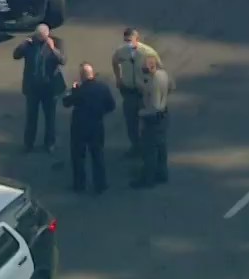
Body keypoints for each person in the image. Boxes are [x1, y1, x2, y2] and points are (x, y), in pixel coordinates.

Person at [62, 62, 115, 194]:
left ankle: (79, 184)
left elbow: (66, 102)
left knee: (78, 156)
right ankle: (100, 184)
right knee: (98, 155)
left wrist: (73, 90)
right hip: (96, 125)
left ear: (82, 76)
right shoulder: (102, 88)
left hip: (79, 127)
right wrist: (101, 112)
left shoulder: (80, 90)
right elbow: (111, 105)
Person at [13, 23, 66, 153]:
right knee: (31, 117)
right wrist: (22, 45)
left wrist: (53, 49)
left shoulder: (56, 42)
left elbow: (63, 60)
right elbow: (16, 55)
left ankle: (50, 143)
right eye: (38, 37)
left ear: (47, 35)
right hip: (33, 88)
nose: (39, 40)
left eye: (42, 37)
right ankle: (28, 144)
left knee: (50, 118)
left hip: (50, 88)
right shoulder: (30, 44)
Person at [112, 27, 161, 158]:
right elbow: (115, 61)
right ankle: (135, 147)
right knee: (130, 122)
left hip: (144, 93)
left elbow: (158, 70)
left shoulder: (147, 53)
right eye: (126, 40)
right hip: (128, 91)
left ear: (137, 39)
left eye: (130, 40)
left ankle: (147, 149)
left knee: (146, 122)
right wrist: (118, 78)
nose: (128, 43)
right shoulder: (121, 52)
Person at [133, 55, 174, 188]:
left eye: (144, 66)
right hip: (164, 115)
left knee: (149, 150)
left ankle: (147, 180)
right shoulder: (164, 74)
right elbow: (172, 87)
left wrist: (140, 114)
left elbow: (153, 105)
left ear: (151, 67)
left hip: (153, 117)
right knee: (161, 147)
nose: (142, 69)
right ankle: (162, 174)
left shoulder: (153, 80)